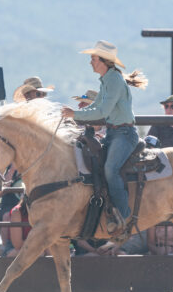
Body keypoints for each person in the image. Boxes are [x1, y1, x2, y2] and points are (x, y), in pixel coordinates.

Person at [62, 40, 148, 238]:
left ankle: (124, 215)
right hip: (115, 133)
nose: (91, 62)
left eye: (93, 58)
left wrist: (74, 115)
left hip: (124, 134)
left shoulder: (114, 81)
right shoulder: (109, 80)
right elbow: (96, 107)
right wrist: (75, 113)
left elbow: (102, 110)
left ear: (103, 61)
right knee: (101, 167)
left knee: (110, 168)